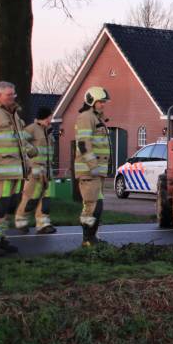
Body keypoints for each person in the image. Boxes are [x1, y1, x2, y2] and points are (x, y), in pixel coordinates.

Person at [0, 82, 36, 257]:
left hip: (14, 172)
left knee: (7, 207)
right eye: (9, 95)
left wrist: (28, 162)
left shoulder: (13, 115)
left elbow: (20, 143)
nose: (13, 97)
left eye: (13, 94)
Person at [74, 86, 111, 247]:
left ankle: (92, 237)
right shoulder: (86, 117)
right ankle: (87, 239)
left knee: (98, 206)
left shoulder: (96, 118)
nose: (103, 104)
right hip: (89, 171)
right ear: (91, 101)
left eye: (104, 102)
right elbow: (83, 144)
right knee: (91, 206)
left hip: (97, 172)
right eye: (100, 102)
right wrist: (92, 165)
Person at [15, 107, 57, 234]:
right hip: (36, 171)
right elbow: (19, 141)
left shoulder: (48, 130)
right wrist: (31, 153)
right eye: (50, 116)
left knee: (46, 199)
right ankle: (21, 221)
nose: (51, 118)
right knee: (30, 197)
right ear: (45, 116)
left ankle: (43, 224)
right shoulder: (32, 128)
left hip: (47, 171)